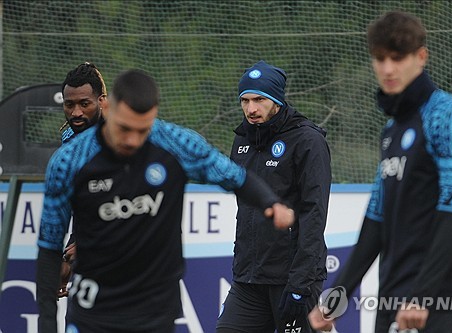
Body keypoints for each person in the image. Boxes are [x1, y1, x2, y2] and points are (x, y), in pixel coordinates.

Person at [36, 69, 295, 333]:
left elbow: (234, 176)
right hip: (93, 310)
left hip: (155, 309)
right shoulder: (70, 160)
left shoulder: (174, 143)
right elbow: (48, 246)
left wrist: (270, 203)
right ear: (109, 107)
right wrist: (46, 323)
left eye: (142, 130)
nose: (132, 140)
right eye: (124, 128)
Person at [308, 10, 452, 333]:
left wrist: (422, 297)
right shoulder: (391, 130)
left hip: (435, 294)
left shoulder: (450, 116)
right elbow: (376, 218)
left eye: (397, 58)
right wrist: (336, 299)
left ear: (421, 57)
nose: (387, 69)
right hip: (393, 291)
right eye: (380, 58)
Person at [216, 60, 331, 333]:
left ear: (277, 100)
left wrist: (300, 283)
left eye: (259, 100)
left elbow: (314, 214)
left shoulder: (308, 141)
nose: (251, 109)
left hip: (293, 280)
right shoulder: (242, 140)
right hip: (249, 279)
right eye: (244, 100)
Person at [58, 62, 108, 299]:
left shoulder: (124, 140)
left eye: (84, 104)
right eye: (69, 105)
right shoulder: (70, 138)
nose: (76, 112)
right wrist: (68, 255)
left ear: (101, 101)